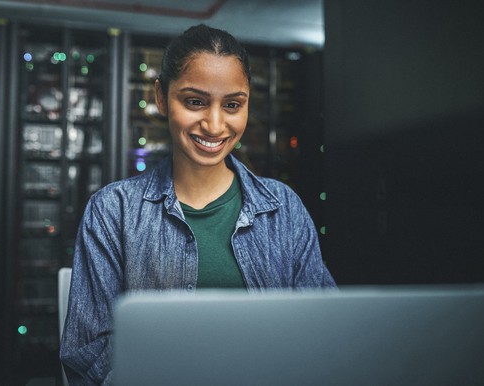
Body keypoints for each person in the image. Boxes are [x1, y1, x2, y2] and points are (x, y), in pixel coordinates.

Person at [60, 24, 336, 385]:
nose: (215, 124)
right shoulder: (113, 211)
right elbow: (88, 348)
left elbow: (324, 330)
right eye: (195, 101)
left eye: (233, 105)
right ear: (161, 97)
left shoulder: (284, 208)